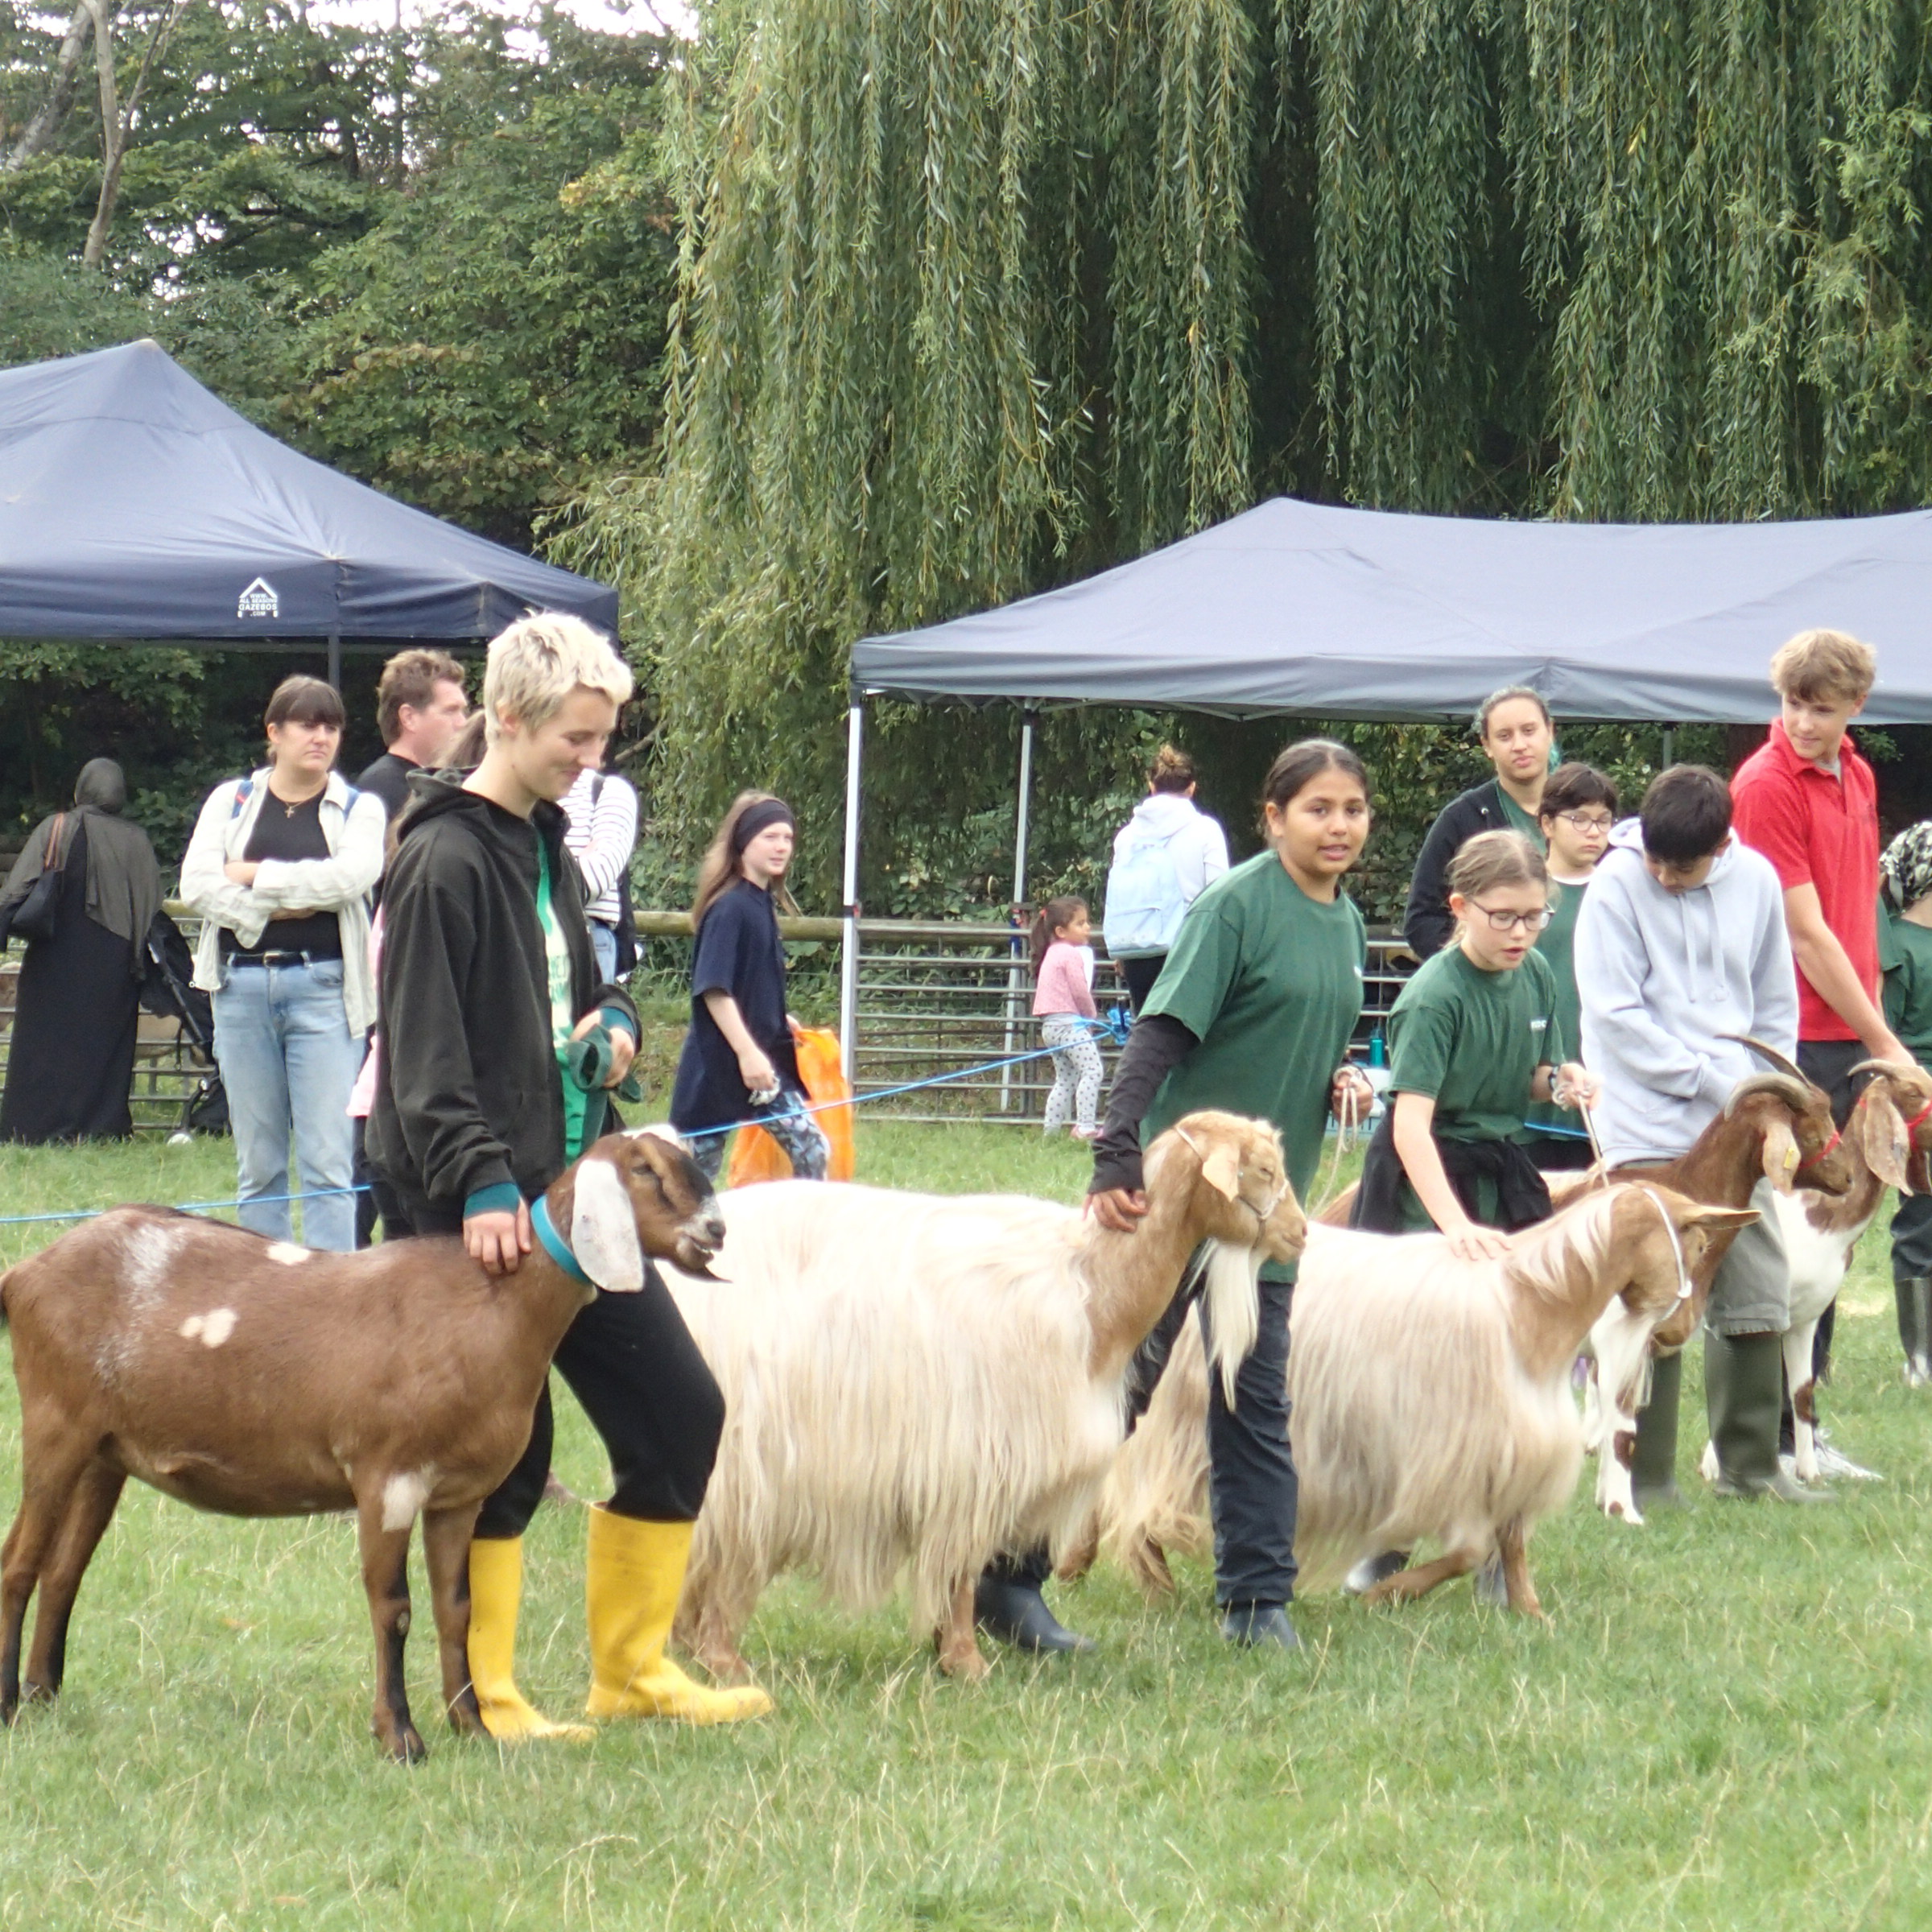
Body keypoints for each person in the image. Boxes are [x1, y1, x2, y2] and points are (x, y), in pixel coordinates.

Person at [367, 612, 772, 1738]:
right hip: (475, 1203)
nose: (591, 763)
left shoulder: (544, 842)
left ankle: (631, 1671)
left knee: (680, 1412)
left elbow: (601, 983)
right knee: (506, 1452)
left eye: (602, 742)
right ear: (506, 719)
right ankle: (480, 1693)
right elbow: (423, 1058)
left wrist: (619, 1028)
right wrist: (484, 1185)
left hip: (573, 1189)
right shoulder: (439, 857)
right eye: (575, 741)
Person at [1010, 739, 1373, 1658]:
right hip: (1180, 1200)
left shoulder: (1348, 922)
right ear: (1274, 816)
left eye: (1352, 810)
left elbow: (1293, 1029)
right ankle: (1005, 1582)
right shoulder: (1235, 907)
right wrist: (1117, 1153)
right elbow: (1160, 1035)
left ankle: (1257, 1601)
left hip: (1258, 1212)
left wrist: (1335, 1077)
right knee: (1114, 1393)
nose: (1338, 826)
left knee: (1255, 1398)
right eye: (1318, 809)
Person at [1575, 765, 1815, 1504]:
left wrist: (1774, 1097)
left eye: (1681, 866)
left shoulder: (1759, 882)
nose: (1662, 875)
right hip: (1648, 1121)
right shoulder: (1615, 886)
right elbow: (1616, 1015)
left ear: (1721, 846)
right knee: (1657, 1288)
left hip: (1741, 1121)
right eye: (1653, 858)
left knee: (1758, 1279)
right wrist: (1722, 1089)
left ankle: (1750, 1468)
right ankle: (1648, 1478)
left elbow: (1775, 1002)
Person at [1731, 628, 1913, 1411]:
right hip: (1796, 1034)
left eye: (1821, 708)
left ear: (1857, 708)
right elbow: (1805, 935)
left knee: (1839, 1222)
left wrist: (1875, 1013)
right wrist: (1887, 1043)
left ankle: (1807, 1415)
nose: (1802, 722)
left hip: (1850, 1028)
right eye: (1792, 704)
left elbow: (1859, 911)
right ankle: (1760, 1425)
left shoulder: (1861, 774)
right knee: (1791, 1232)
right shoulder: (1766, 782)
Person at [181, 678, 385, 1253]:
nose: (321, 737)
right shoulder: (232, 800)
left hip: (325, 988)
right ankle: (265, 1305)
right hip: (240, 991)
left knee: (327, 1165)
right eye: (307, 724)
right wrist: (265, 913)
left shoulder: (358, 807)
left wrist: (252, 874)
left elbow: (349, 878)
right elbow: (196, 883)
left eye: (332, 726)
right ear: (274, 733)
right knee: (259, 1167)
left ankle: (333, 1307)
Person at [1353, 831, 1595, 1253]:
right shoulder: (1434, 999)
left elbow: (1533, 1078)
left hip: (1501, 1168)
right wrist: (1456, 1226)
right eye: (1503, 917)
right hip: (1427, 1183)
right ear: (1461, 908)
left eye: (1535, 916)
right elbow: (1410, 1127)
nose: (1521, 933)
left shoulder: (1535, 972)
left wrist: (1562, 1080)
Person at [669, 793, 831, 1184]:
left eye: (788, 838)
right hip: (719, 1069)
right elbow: (714, 990)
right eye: (770, 837)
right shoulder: (730, 908)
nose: (781, 847)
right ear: (743, 842)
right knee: (692, 1188)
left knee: (812, 1150)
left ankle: (793, 1237)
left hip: (764, 1062)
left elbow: (749, 982)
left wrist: (777, 1017)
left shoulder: (760, 903)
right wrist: (747, 1054)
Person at [0, 759, 162, 1143]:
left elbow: (17, 891)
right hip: (116, 966)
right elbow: (152, 908)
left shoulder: (56, 827)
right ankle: (100, 1130)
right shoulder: (137, 840)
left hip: (53, 960)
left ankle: (29, 1129)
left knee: (43, 1043)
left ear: (81, 789)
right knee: (105, 1049)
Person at [1403, 687, 1554, 958]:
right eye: (1504, 736)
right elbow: (1421, 919)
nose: (1519, 745)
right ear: (1487, 745)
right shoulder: (1463, 819)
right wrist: (1469, 966)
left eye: (1529, 731)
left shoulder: (1583, 812)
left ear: (1550, 732)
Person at [1522, 762, 1619, 1169]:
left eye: (1603, 820)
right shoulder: (1523, 893)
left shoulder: (1622, 893)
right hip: (1529, 1100)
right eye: (1579, 819)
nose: (1594, 831)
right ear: (1547, 824)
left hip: (1605, 1099)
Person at [1103, 745, 1229, 1012]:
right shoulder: (1205, 830)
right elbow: (1220, 894)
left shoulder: (1127, 837)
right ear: (1192, 788)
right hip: (1189, 949)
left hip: (1138, 949)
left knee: (1148, 1032)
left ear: (1151, 785)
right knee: (1189, 1032)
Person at [1879, 823, 1932, 1385]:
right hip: (1921, 1109)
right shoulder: (1897, 945)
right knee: (1922, 1221)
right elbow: (1887, 1036)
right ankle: (1921, 1356)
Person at [355, 650, 470, 823]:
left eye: (463, 711)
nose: (463, 723)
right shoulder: (382, 789)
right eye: (451, 711)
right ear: (409, 718)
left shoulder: (433, 783)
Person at [559, 761, 639, 984]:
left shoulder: (608, 790)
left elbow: (596, 877)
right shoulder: (528, 792)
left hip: (590, 934)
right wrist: (577, 860)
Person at [1032, 895, 1104, 1137]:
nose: (1087, 927)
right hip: (1068, 1025)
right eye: (1080, 923)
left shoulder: (1051, 953)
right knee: (1092, 1070)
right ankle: (1085, 1126)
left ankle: (1050, 1133)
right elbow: (1079, 989)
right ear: (1061, 931)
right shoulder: (1070, 954)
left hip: (1051, 1026)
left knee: (1066, 1078)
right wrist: (1091, 1016)